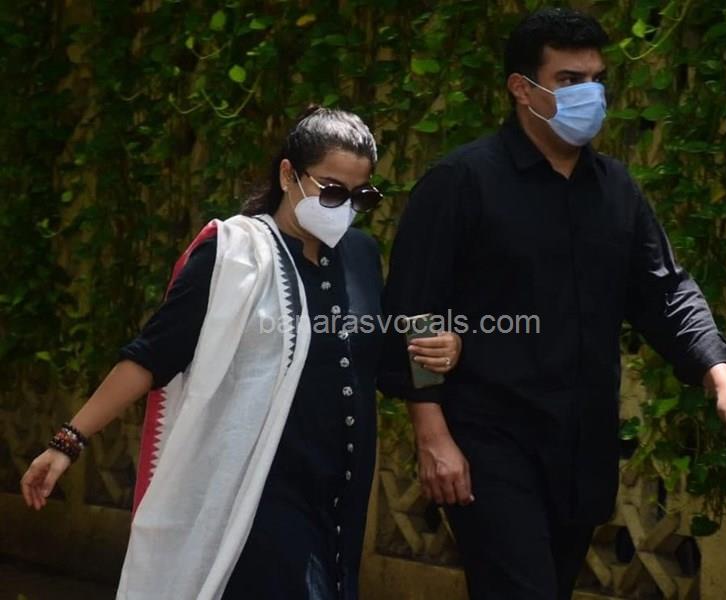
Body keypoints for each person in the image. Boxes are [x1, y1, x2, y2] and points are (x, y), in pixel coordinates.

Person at [379, 8, 726, 600]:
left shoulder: (616, 189)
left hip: (583, 442)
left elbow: (665, 291)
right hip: (488, 441)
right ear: (521, 88)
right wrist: (432, 436)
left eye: (595, 79)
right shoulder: (462, 181)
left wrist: (722, 380)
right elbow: (416, 312)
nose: (589, 94)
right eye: (568, 80)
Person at [20, 106, 463, 600]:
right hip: (256, 489)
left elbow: (378, 353)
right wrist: (68, 441)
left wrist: (445, 347)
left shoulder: (359, 255)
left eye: (361, 196)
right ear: (288, 175)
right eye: (332, 190)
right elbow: (152, 356)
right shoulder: (233, 254)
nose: (344, 207)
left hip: (339, 492)